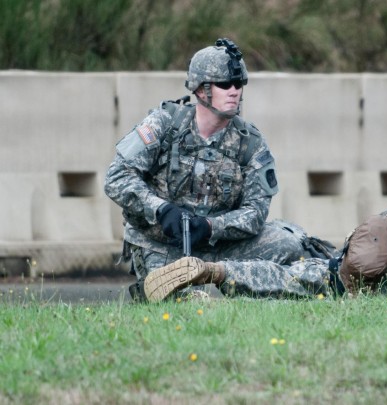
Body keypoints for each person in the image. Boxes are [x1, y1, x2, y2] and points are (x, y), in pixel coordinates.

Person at [105, 38, 336, 301]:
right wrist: (160, 209)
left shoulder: (250, 142)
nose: (234, 91)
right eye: (225, 84)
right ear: (202, 90)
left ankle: (225, 274)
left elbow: (255, 213)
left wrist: (211, 226)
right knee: (171, 296)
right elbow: (117, 177)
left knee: (292, 244)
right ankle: (187, 289)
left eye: (239, 84)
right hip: (163, 244)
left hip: (221, 244)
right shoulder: (164, 124)